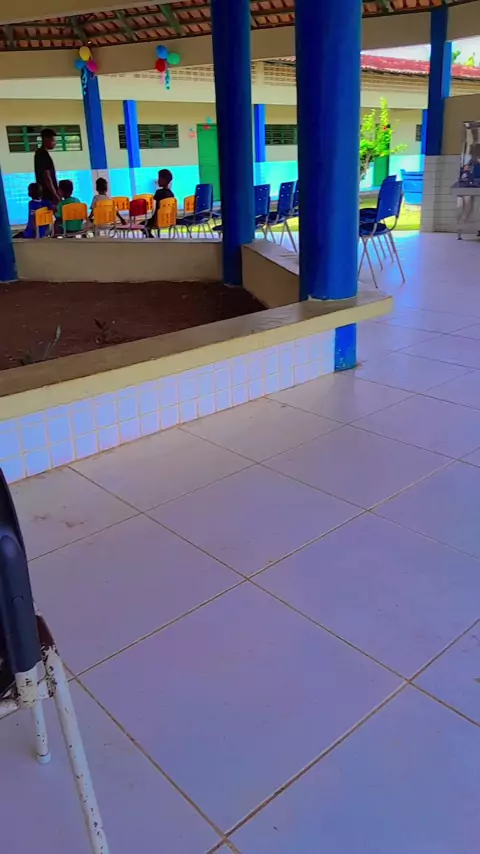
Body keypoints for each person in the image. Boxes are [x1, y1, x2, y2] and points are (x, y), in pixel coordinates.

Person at [34, 128, 60, 206]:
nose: (54, 143)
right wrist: (55, 194)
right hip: (48, 194)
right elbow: (46, 176)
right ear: (46, 139)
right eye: (53, 140)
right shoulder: (42, 154)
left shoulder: (41, 153)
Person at [147, 168, 174, 234]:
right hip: (168, 220)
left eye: (159, 179)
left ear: (165, 180)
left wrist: (155, 220)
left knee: (142, 225)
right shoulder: (171, 194)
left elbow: (157, 209)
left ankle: (150, 237)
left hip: (157, 220)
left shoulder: (158, 192)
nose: (158, 180)